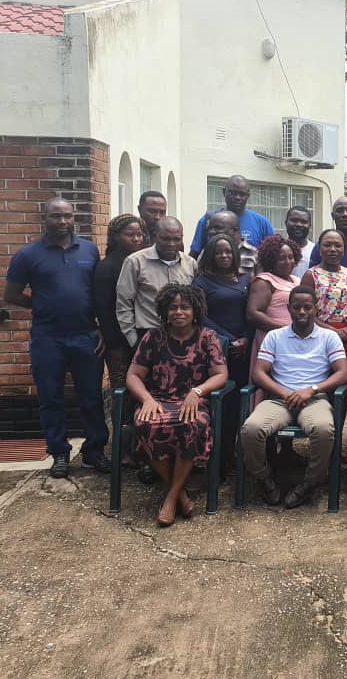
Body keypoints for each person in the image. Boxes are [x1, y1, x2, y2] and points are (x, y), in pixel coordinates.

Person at [5, 198, 108, 478]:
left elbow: (95, 293)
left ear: (74, 218)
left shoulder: (89, 249)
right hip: (47, 338)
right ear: (45, 218)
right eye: (56, 216)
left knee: (91, 397)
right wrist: (39, 305)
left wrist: (100, 326)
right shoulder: (28, 255)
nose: (62, 221)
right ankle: (59, 453)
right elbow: (11, 295)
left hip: (86, 335)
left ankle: (94, 452)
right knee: (51, 398)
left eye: (67, 216)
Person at [125, 284, 228, 526]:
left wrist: (198, 391)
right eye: (173, 307)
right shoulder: (153, 337)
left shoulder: (207, 337)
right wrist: (147, 399)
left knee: (191, 425)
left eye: (185, 307)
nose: (179, 312)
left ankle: (170, 498)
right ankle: (179, 492)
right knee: (145, 424)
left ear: (195, 310)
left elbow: (221, 374)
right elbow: (133, 375)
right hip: (158, 400)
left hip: (193, 402)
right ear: (164, 310)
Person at [241, 286, 347, 508]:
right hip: (279, 399)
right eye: (297, 307)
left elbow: (343, 373)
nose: (302, 312)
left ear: (316, 309)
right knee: (251, 429)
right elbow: (258, 373)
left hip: (314, 399)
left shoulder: (328, 337)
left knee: (323, 429)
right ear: (288, 308)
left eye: (307, 307)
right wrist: (284, 393)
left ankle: (310, 483)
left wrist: (311, 390)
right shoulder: (275, 336)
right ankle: (265, 477)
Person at [193, 234, 252, 474]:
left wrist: (246, 338)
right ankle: (215, 457)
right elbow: (201, 316)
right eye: (219, 252)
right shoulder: (202, 282)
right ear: (211, 255)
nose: (224, 256)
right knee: (219, 404)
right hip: (217, 351)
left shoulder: (246, 279)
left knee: (239, 404)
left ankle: (233, 454)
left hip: (244, 352)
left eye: (228, 252)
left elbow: (252, 312)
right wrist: (227, 338)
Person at [116, 217, 197, 349]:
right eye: (166, 239)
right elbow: (123, 305)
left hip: (183, 336)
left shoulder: (190, 264)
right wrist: (134, 341)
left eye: (176, 239)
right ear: (154, 236)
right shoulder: (135, 262)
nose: (171, 244)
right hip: (148, 335)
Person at [93, 214, 147, 393]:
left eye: (139, 234)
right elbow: (104, 310)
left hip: (143, 337)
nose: (136, 238)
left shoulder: (144, 262)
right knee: (123, 389)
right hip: (119, 343)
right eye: (130, 235)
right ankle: (121, 421)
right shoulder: (106, 267)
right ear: (115, 236)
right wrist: (114, 344)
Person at [300, 229, 347, 383]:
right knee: (324, 381)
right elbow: (304, 313)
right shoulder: (311, 275)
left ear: (344, 249)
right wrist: (334, 332)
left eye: (338, 245)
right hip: (322, 333)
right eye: (327, 245)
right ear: (320, 249)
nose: (333, 249)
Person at [247, 235, 302, 363]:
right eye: (281, 258)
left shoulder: (297, 280)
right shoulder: (264, 280)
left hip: (296, 338)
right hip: (273, 339)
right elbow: (253, 314)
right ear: (271, 260)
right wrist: (286, 330)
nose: (288, 261)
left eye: (291, 257)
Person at [189, 175, 275, 257]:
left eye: (242, 194)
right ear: (224, 192)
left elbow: (273, 255)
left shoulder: (262, 222)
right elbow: (194, 255)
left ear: (248, 196)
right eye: (233, 193)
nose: (237, 197)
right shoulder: (209, 220)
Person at [198, 209, 258, 276]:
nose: (211, 232)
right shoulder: (206, 253)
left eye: (218, 228)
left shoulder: (254, 254)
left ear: (235, 230)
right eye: (210, 228)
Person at [286, 206, 315, 279]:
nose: (299, 224)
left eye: (304, 222)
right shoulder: (278, 249)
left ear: (310, 226)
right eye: (294, 220)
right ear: (286, 222)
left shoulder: (316, 250)